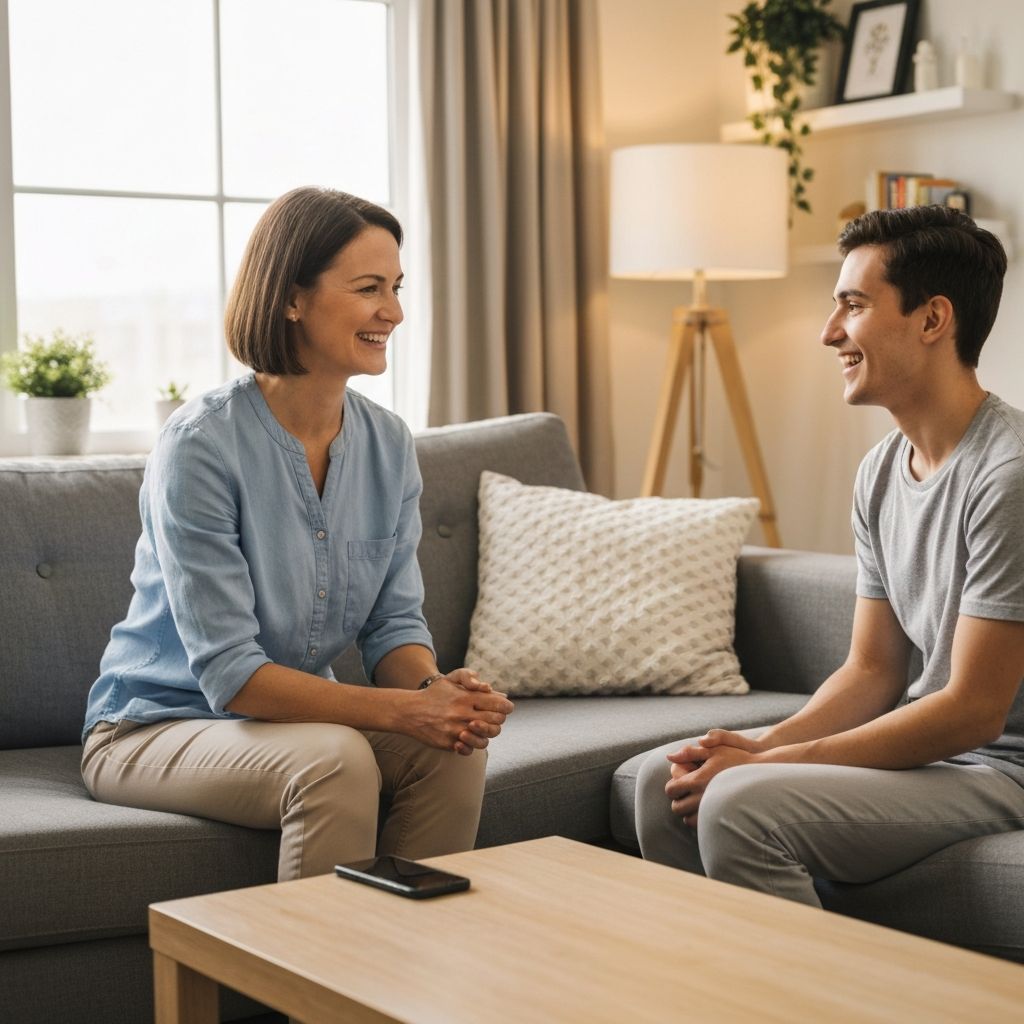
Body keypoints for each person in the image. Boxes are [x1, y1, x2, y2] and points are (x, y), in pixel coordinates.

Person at [81, 187, 513, 881]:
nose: (394, 312)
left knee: (453, 749)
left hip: (289, 728)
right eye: (369, 288)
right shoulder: (201, 445)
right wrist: (404, 711)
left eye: (397, 288)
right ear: (291, 298)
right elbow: (233, 677)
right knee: (334, 761)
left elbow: (393, 625)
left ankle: (410, 977)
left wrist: (437, 694)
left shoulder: (389, 444)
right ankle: (310, 988)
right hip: (152, 727)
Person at [634, 205, 1024, 906]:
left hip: (1001, 769)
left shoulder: (1008, 475)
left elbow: (974, 711)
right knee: (658, 785)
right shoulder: (880, 471)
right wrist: (760, 744)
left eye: (853, 305)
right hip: (940, 762)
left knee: (736, 803)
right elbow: (873, 669)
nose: (829, 332)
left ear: (934, 320)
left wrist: (772, 760)